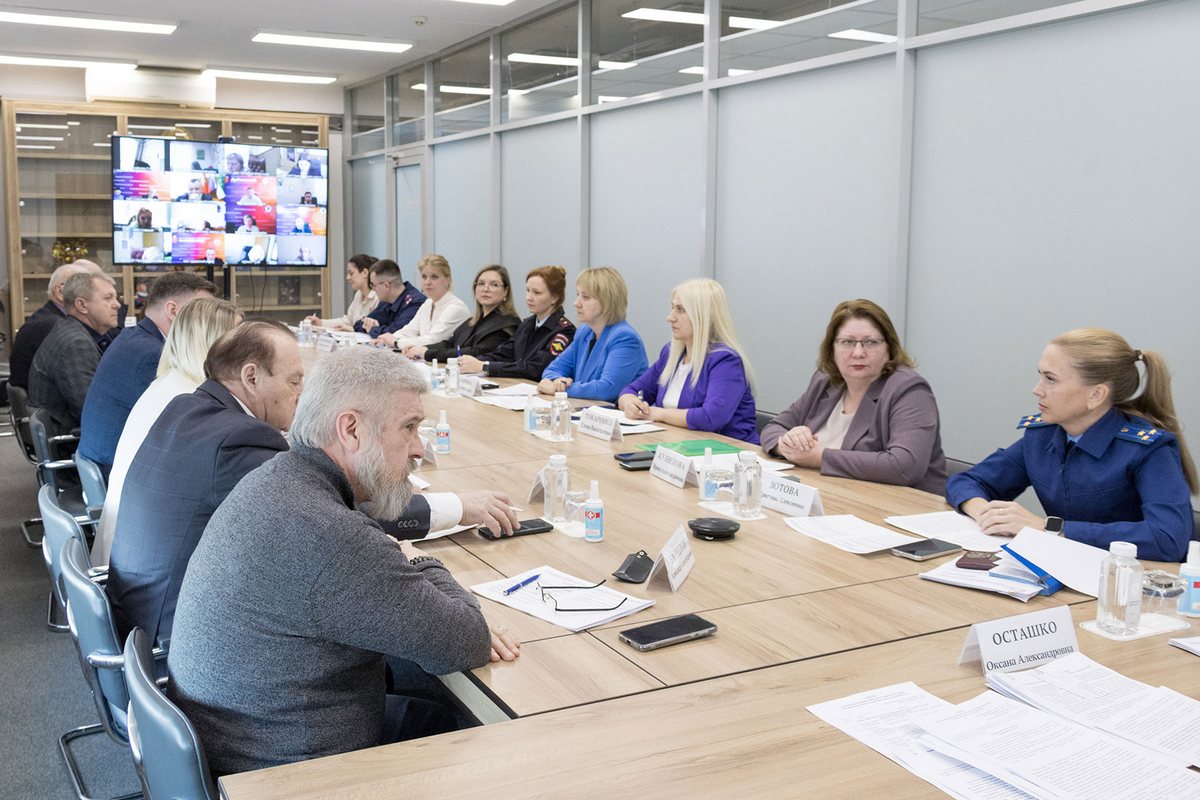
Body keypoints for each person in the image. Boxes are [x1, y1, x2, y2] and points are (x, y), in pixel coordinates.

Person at [167, 347, 519, 775]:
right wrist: (418, 560)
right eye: (409, 427)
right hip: (288, 773)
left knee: (425, 702)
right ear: (351, 429)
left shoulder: (277, 478)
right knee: (486, 743)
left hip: (239, 738)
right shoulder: (332, 538)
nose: (418, 448)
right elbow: (466, 639)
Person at [107, 321, 517, 645]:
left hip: (143, 611)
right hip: (174, 632)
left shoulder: (189, 407)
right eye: (293, 381)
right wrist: (450, 517)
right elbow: (334, 520)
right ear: (251, 377)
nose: (301, 394)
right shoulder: (240, 441)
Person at [946, 328, 1196, 562]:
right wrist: (985, 514)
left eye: (1050, 379)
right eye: (1040, 376)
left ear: (1096, 395)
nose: (1037, 390)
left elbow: (1168, 538)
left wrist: (1048, 528)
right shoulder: (1043, 435)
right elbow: (968, 481)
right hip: (1063, 567)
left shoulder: (1148, 449)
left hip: (1129, 580)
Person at [91, 296, 243, 566]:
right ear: (216, 344)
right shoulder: (193, 401)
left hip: (127, 552)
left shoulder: (170, 383)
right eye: (240, 341)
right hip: (145, 563)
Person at [760, 299, 948, 494]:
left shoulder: (909, 390)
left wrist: (820, 457)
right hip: (832, 497)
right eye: (847, 342)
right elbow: (773, 428)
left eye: (870, 342)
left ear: (889, 348)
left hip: (900, 505)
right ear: (832, 348)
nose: (858, 353)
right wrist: (787, 445)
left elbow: (904, 466)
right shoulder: (826, 381)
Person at [78, 272, 217, 477]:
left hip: (100, 460)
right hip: (117, 472)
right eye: (202, 311)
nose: (210, 321)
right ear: (173, 310)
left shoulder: (133, 336)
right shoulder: (152, 355)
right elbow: (180, 428)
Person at [618, 278, 758, 443]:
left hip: (727, 451)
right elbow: (632, 390)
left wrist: (658, 413)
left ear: (703, 316)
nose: (670, 317)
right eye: (672, 308)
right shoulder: (671, 353)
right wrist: (629, 403)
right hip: (677, 445)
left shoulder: (725, 361)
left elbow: (711, 417)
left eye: (681, 310)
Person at [538, 266, 648, 402]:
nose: (576, 303)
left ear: (607, 301)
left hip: (613, 413)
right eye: (578, 295)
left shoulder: (625, 338)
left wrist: (561, 390)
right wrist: (558, 381)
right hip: (586, 409)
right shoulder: (584, 332)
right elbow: (553, 369)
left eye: (586, 297)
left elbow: (607, 389)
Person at [28, 272, 121, 430]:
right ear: (82, 305)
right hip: (71, 437)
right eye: (108, 298)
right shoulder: (76, 343)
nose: (117, 305)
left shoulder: (71, 330)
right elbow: (92, 411)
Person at [458, 265, 576, 380]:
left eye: (536, 292)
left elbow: (535, 368)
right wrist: (474, 362)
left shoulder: (563, 331)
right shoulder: (528, 324)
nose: (529, 297)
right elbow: (504, 353)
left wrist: (485, 366)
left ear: (555, 298)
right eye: (528, 291)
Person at [9, 261, 101, 389]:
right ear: (60, 292)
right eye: (87, 290)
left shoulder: (48, 318)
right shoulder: (55, 326)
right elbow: (81, 389)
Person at [405, 265, 519, 362]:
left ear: (506, 291)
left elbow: (476, 352)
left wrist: (427, 353)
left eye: (494, 285)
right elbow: (449, 343)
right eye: (481, 284)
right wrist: (421, 348)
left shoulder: (507, 325)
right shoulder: (472, 321)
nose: (486, 289)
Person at [377, 254, 469, 350]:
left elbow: (432, 341)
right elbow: (409, 330)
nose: (427, 282)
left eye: (434, 277)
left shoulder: (455, 308)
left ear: (448, 280)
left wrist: (396, 342)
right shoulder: (428, 303)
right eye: (424, 277)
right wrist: (385, 340)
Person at [306, 254, 379, 331]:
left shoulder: (378, 298)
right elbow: (348, 321)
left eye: (351, 273)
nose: (348, 278)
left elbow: (375, 330)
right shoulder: (359, 294)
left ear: (365, 273)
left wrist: (352, 330)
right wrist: (320, 322)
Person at [356, 259, 426, 339]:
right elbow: (358, 325)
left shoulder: (415, 303)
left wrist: (372, 329)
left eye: (373, 285)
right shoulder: (386, 301)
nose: (373, 289)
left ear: (386, 286)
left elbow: (395, 333)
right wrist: (367, 324)